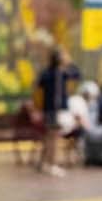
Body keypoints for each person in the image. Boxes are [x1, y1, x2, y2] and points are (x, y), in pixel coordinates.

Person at [35, 47, 80, 176]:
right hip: (56, 109)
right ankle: (52, 164)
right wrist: (69, 62)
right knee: (54, 138)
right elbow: (77, 73)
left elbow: (39, 86)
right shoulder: (61, 73)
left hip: (48, 109)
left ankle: (45, 163)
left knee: (49, 136)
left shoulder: (47, 72)